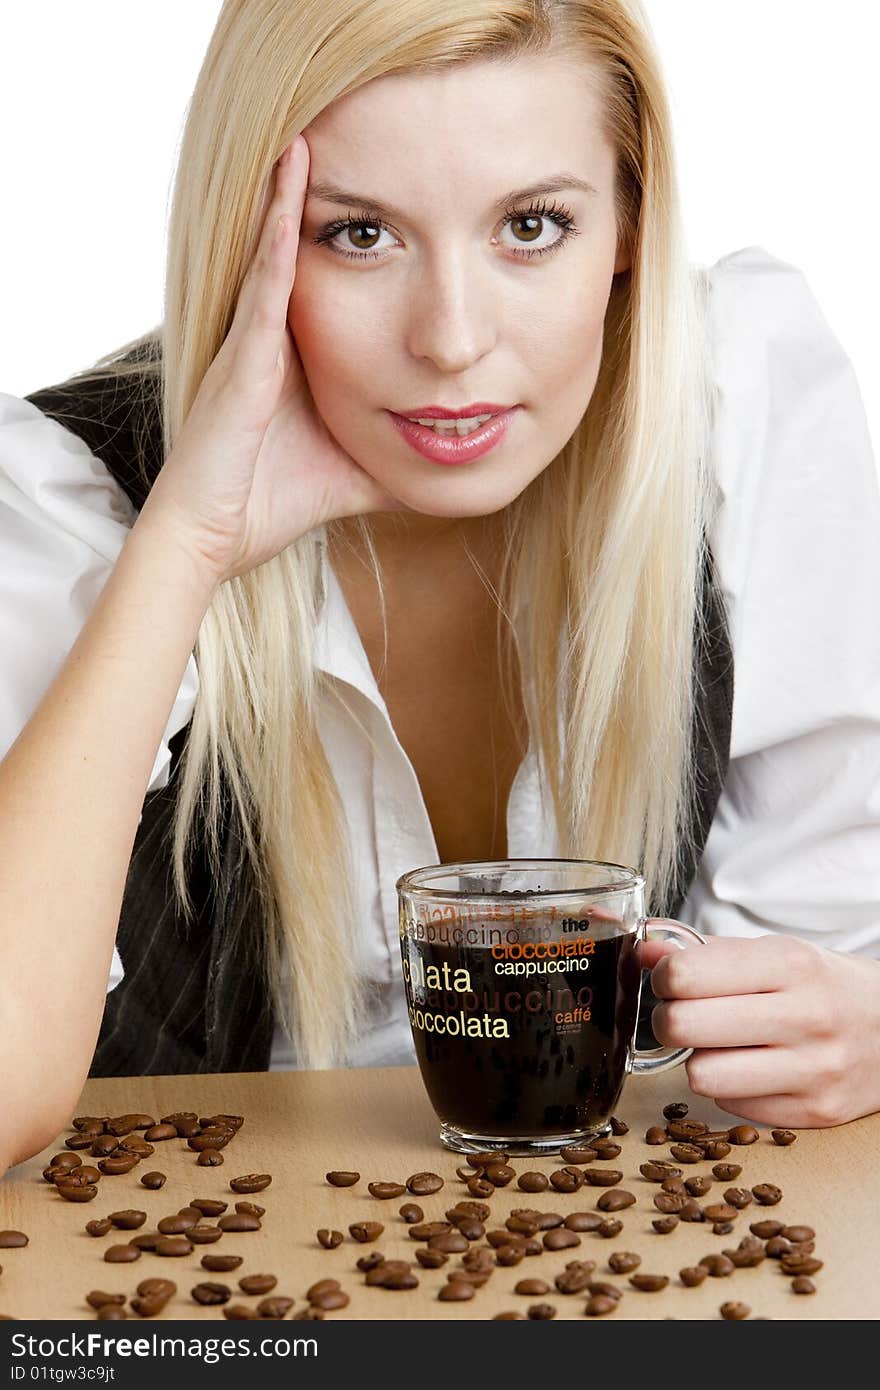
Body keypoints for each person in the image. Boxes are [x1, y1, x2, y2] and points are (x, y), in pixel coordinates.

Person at [1, 0, 878, 1178]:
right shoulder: (69, 501)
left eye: (530, 224)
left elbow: (824, 976)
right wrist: (186, 546)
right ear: (245, 237)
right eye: (358, 235)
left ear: (627, 224)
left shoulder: (740, 411)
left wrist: (857, 1029)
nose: (452, 340)